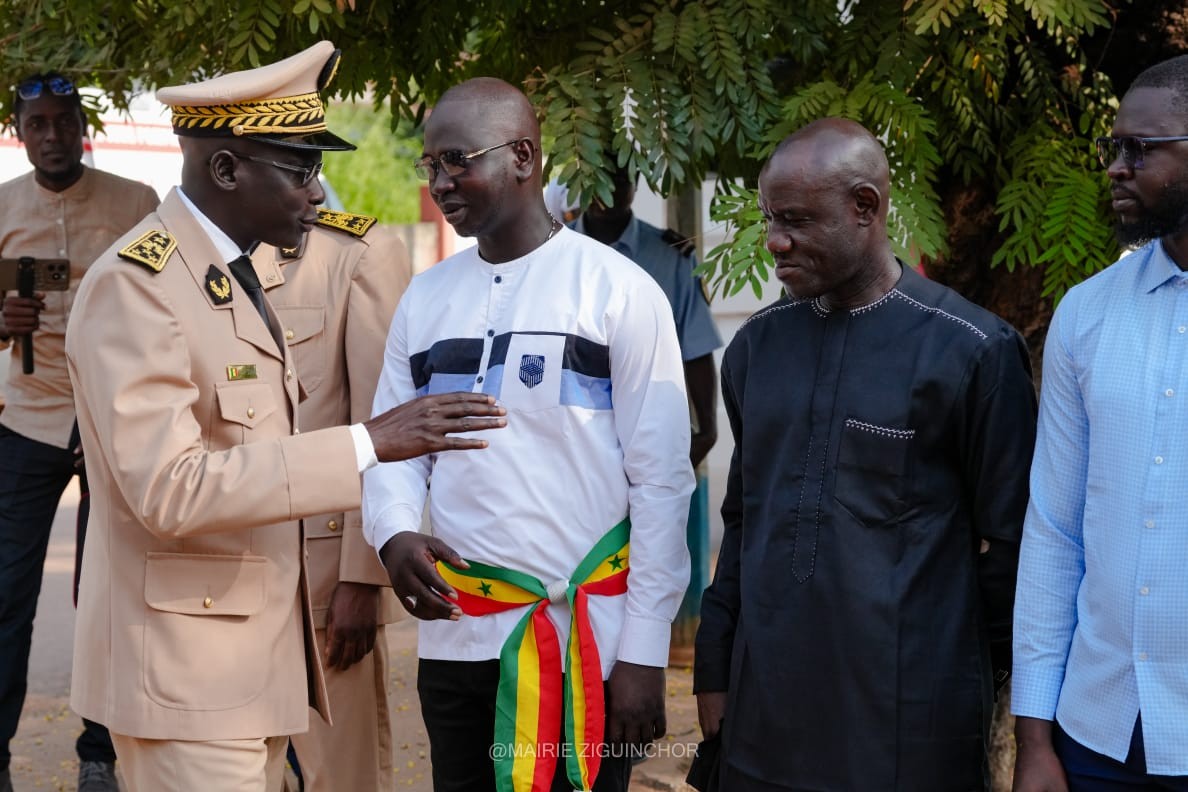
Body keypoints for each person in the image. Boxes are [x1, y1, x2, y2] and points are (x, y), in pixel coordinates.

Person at [63, 42, 505, 792]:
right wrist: (369, 444)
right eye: (298, 170)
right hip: (186, 684)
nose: (315, 192)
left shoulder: (230, 274)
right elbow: (170, 489)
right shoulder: (138, 288)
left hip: (255, 674)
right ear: (228, 170)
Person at [362, 77, 694, 792]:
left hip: (589, 651)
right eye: (431, 166)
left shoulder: (618, 291)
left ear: (522, 156)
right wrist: (393, 535)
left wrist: (643, 650)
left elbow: (663, 480)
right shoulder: (426, 298)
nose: (442, 182)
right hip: (457, 637)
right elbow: (393, 446)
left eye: (457, 161)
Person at [692, 118, 1037, 791]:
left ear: (865, 208)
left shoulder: (971, 351)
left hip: (909, 728)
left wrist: (978, 691)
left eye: (795, 220)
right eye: (769, 218)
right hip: (763, 721)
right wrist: (714, 666)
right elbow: (746, 520)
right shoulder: (756, 349)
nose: (774, 241)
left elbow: (1012, 553)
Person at [1012, 55, 1188, 791]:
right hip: (1099, 734)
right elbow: (1054, 529)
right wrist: (1033, 741)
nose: (1117, 167)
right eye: (1113, 148)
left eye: (1141, 149)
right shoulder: (1087, 312)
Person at [0, 71, 159, 792]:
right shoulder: (0, 207)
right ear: (20, 131)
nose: (54, 136)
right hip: (25, 422)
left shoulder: (137, 204)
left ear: (81, 125)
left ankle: (101, 751)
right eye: (39, 124)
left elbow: (167, 308)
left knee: (110, 591)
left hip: (112, 424)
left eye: (65, 122)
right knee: (7, 595)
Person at [250, 214, 412, 792]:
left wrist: (363, 578)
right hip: (225, 582)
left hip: (324, 587)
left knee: (341, 778)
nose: (311, 187)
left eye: (307, 162)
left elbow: (384, 430)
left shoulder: (355, 258)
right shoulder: (188, 261)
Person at [573, 164, 722, 655]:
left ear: (634, 184)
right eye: (597, 177)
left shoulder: (670, 255)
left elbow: (695, 348)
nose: (608, 191)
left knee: (656, 554)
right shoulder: (551, 251)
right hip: (576, 449)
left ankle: (661, 647)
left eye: (619, 179)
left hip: (652, 439)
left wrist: (706, 427)